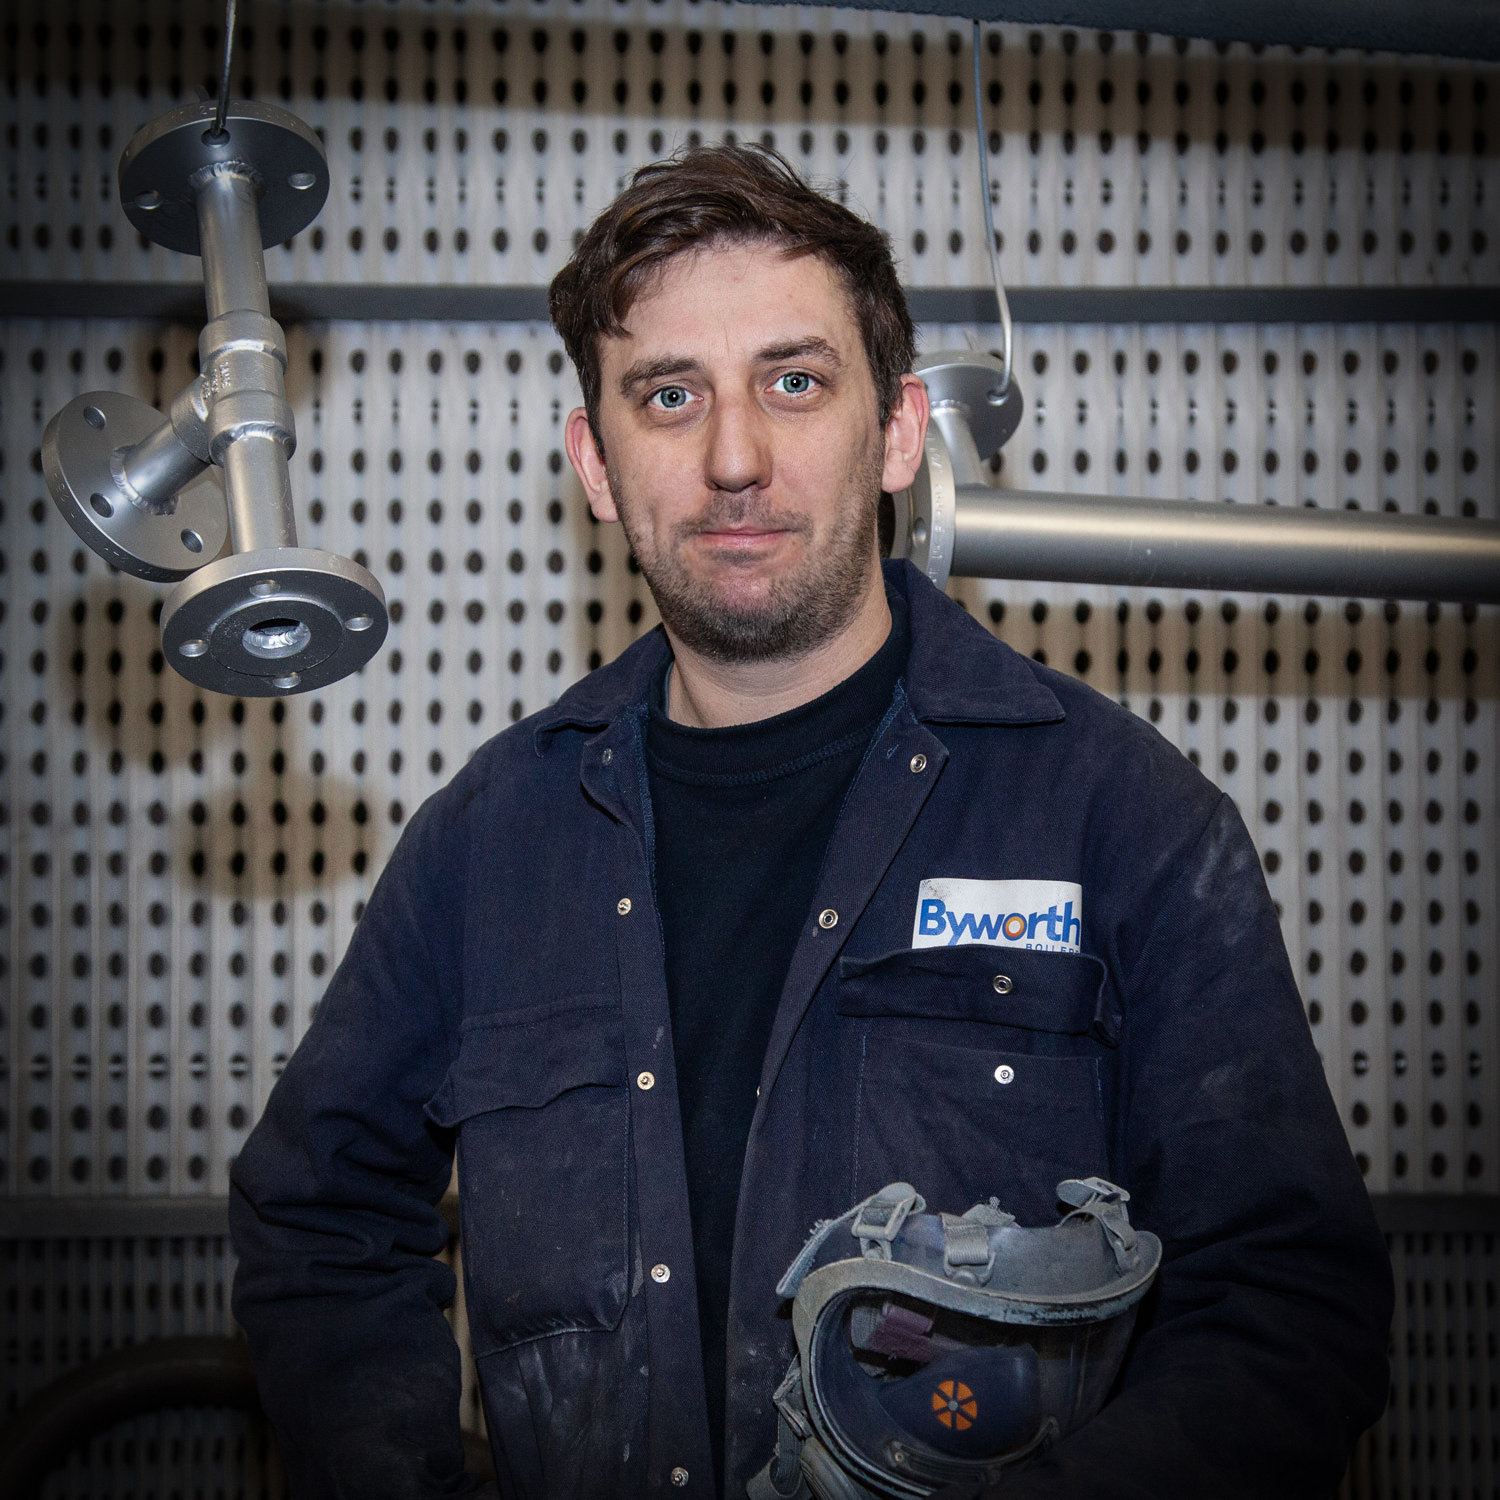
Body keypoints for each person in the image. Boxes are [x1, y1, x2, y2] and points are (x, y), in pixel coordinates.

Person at [229, 145, 1393, 1500]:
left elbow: (1293, 1312)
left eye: (795, 381)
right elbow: (314, 1221)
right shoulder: (491, 845)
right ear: (594, 463)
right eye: (668, 397)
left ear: (895, 431)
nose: (735, 458)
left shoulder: (1119, 816)